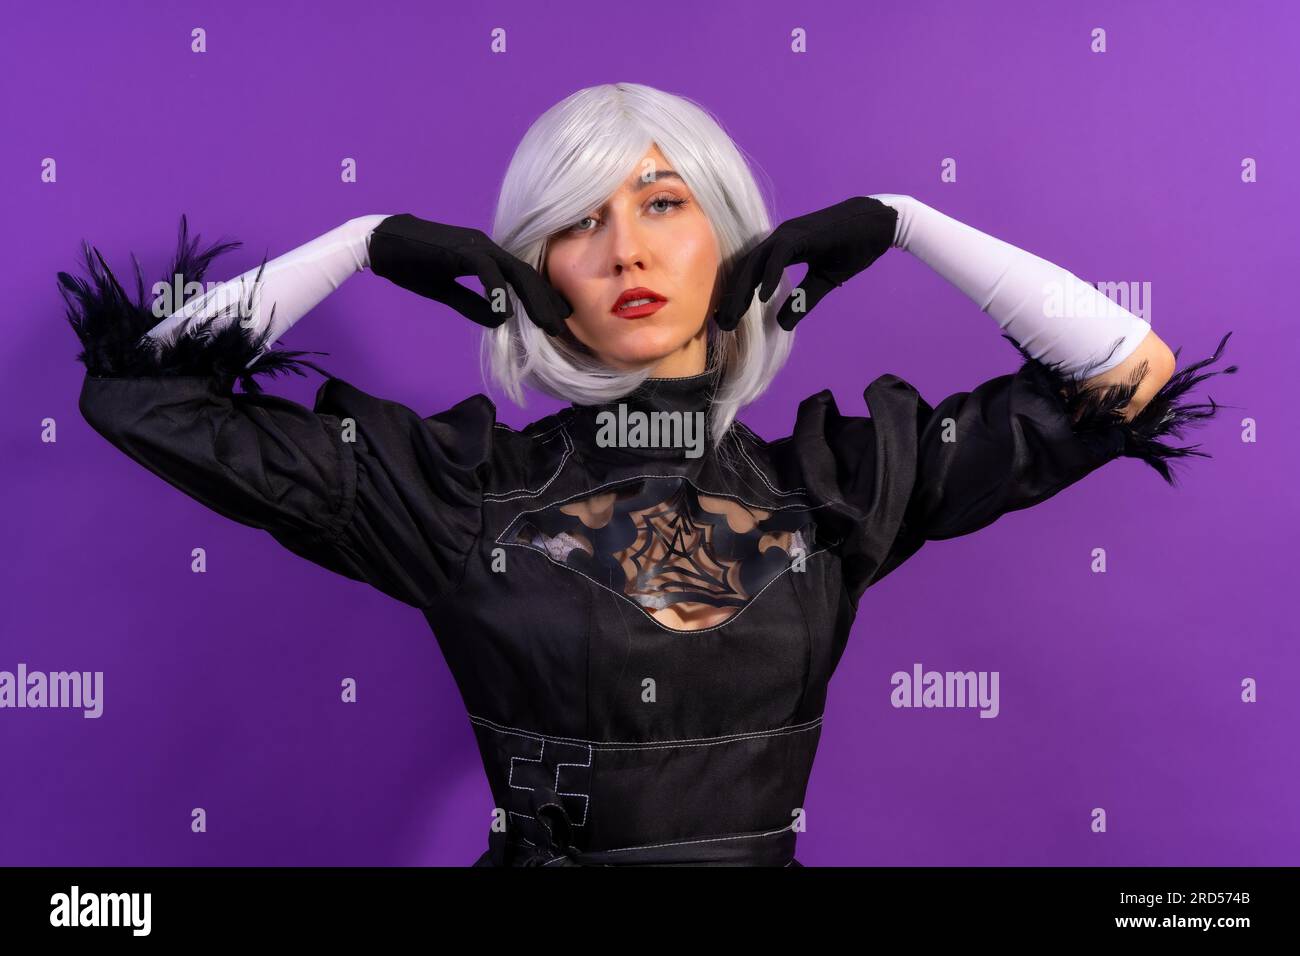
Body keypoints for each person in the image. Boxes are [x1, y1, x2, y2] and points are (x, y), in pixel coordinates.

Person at [59, 82, 1236, 866]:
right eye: (577, 221)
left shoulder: (837, 483)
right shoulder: (449, 490)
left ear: (731, 239)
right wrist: (363, 242)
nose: (625, 246)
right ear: (528, 271)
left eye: (664, 204)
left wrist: (904, 220)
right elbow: (137, 392)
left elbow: (1128, 374)